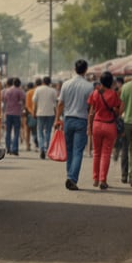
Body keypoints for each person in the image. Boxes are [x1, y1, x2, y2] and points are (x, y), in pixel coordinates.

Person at [54, 59, 94, 190]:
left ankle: (69, 174)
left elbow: (60, 103)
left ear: (74, 69)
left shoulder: (66, 84)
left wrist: (57, 119)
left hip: (68, 120)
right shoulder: (89, 86)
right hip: (81, 120)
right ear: (86, 70)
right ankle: (72, 177)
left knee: (69, 150)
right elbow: (90, 107)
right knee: (78, 151)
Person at [87, 71, 121, 190]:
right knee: (106, 154)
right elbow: (117, 111)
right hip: (109, 125)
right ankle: (103, 180)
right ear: (111, 82)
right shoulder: (114, 94)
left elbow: (91, 112)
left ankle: (95, 179)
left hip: (97, 124)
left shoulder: (95, 93)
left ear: (101, 81)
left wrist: (89, 127)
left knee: (96, 153)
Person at [33, 76, 57, 159]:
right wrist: (56, 114)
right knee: (48, 131)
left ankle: (41, 148)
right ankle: (47, 148)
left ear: (43, 82)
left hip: (40, 113)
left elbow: (35, 102)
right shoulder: (53, 91)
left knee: (39, 132)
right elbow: (55, 103)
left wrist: (34, 111)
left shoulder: (38, 89)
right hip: (50, 113)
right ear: (50, 82)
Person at [2, 77, 25, 155]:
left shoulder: (7, 91)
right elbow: (22, 100)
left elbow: (4, 100)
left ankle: (8, 148)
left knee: (8, 131)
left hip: (8, 113)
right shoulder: (20, 91)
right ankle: (14, 149)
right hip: (17, 114)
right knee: (16, 132)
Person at [24, 80, 40, 151]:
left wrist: (31, 112)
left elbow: (27, 105)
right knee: (36, 130)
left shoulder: (28, 93)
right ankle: (36, 145)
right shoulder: (37, 91)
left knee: (28, 131)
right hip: (38, 113)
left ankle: (28, 146)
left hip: (29, 114)